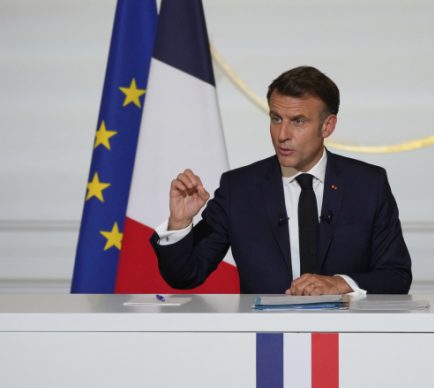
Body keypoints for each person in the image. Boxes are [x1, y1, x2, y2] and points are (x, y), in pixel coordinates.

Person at [151, 66, 411, 295]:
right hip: (266, 333)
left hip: (342, 332)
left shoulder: (368, 185)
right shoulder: (239, 189)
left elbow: (396, 276)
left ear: (327, 126)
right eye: (276, 119)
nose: (282, 134)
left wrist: (340, 284)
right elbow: (185, 276)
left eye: (298, 121)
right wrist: (180, 223)